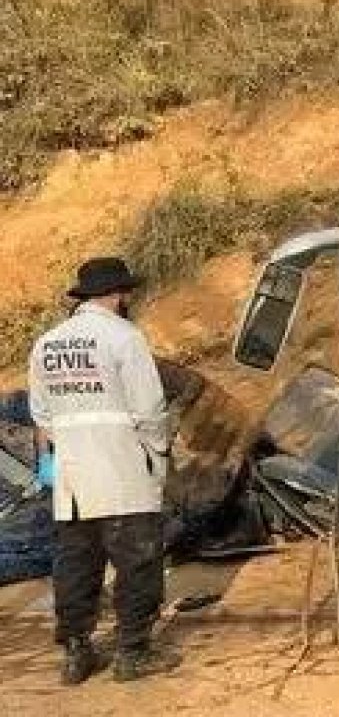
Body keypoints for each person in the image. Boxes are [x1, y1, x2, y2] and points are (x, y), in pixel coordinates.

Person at [27, 257, 174, 684]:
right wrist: (158, 455)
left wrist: (62, 457)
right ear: (120, 294)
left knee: (75, 563)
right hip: (123, 469)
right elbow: (149, 409)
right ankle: (133, 652)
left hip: (71, 478)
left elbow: (41, 415)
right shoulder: (124, 338)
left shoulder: (47, 343)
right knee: (137, 560)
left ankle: (77, 653)